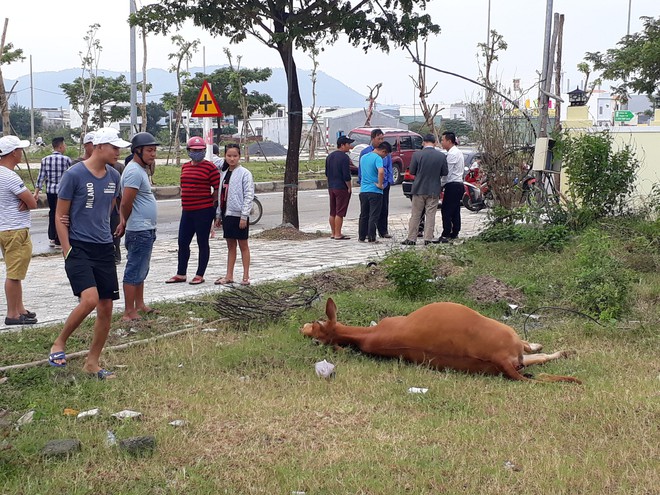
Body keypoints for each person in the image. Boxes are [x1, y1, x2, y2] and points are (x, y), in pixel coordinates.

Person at [48, 127, 128, 379]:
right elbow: (60, 216)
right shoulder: (74, 174)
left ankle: (92, 362)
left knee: (106, 307)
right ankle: (59, 342)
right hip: (79, 247)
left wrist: (117, 223)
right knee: (90, 299)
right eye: (114, 147)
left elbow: (110, 207)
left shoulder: (114, 176)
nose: (118, 152)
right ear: (99, 147)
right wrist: (67, 250)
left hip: (104, 247)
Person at [115, 132, 160, 322]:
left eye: (154, 151)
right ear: (137, 151)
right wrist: (124, 221)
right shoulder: (134, 171)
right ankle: (128, 312)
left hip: (146, 227)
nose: (153, 154)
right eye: (149, 150)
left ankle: (139, 304)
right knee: (134, 269)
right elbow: (125, 202)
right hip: (139, 228)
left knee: (142, 268)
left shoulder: (140, 169)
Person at [166, 136, 220, 285]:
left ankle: (200, 274)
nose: (197, 153)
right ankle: (181, 273)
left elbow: (216, 189)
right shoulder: (185, 167)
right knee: (183, 242)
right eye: (194, 150)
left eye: (201, 150)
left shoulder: (210, 167)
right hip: (187, 211)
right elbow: (183, 185)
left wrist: (214, 208)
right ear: (188, 151)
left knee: (202, 242)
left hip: (203, 211)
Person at [0, 136, 39, 326]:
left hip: (4, 228)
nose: (21, 153)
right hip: (16, 229)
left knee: (16, 271)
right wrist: (28, 199)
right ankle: (12, 314)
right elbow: (32, 202)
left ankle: (20, 308)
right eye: (20, 150)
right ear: (13, 152)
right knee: (14, 274)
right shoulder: (9, 176)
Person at [214, 143, 254, 286]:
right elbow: (220, 195)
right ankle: (229, 275)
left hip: (239, 215)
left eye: (235, 156)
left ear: (239, 157)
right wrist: (218, 215)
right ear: (225, 156)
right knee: (230, 246)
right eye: (229, 156)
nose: (232, 159)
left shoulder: (245, 173)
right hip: (227, 214)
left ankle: (246, 276)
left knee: (243, 245)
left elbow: (249, 195)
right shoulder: (223, 173)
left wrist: (244, 215)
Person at [401, 134, 447, 246]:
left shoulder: (417, 155)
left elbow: (412, 171)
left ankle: (411, 238)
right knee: (430, 214)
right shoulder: (441, 156)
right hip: (433, 189)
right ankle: (428, 239)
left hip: (418, 188)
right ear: (435, 142)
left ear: (423, 142)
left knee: (416, 214)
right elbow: (445, 172)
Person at [34, 137, 72, 249]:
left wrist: (36, 192)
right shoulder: (67, 160)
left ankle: (51, 238)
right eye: (64, 145)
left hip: (50, 191)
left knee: (52, 213)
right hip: (63, 192)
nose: (65, 147)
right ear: (60, 146)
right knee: (63, 214)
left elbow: (41, 177)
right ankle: (60, 239)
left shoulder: (45, 160)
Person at [359, 128, 393, 238]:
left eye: (383, 138)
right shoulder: (367, 153)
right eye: (379, 139)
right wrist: (378, 183)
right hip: (373, 187)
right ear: (373, 138)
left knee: (383, 209)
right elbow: (378, 171)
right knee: (371, 213)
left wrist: (387, 182)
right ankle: (370, 235)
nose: (381, 141)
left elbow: (389, 168)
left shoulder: (385, 153)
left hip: (383, 185)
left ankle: (382, 231)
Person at [437, 131, 465, 243]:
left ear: (449, 141)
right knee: (455, 210)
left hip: (453, 185)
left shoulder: (452, 154)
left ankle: (446, 233)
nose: (442, 143)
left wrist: (441, 185)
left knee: (447, 210)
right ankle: (455, 232)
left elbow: (447, 173)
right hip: (457, 184)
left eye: (443, 140)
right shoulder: (457, 152)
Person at [325, 135, 354, 240]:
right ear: (342, 145)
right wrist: (349, 187)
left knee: (332, 211)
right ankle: (338, 234)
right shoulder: (344, 158)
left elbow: (326, 173)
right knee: (340, 212)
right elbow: (346, 176)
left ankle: (333, 233)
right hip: (341, 187)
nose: (350, 146)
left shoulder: (329, 157)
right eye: (348, 144)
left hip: (331, 186)